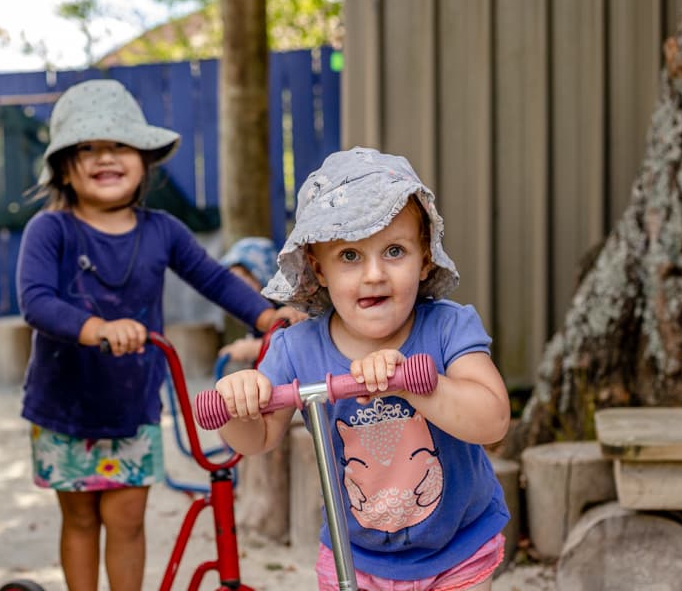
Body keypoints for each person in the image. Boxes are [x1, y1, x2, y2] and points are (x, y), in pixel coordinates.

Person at [16, 78, 301, 591]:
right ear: (64, 167)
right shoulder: (51, 230)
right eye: (87, 148)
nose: (106, 157)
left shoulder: (162, 231)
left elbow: (213, 278)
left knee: (126, 521)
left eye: (120, 145)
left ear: (143, 159)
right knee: (81, 520)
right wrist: (96, 327)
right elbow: (35, 302)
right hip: (64, 409)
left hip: (134, 407)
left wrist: (266, 318)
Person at [214, 147, 512, 591]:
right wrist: (238, 406)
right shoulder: (296, 347)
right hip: (353, 556)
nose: (374, 274)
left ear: (424, 257)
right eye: (350, 256)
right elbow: (257, 440)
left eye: (394, 251)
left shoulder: (449, 326)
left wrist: (414, 382)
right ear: (319, 268)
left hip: (458, 549)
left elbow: (493, 421)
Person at [217, 236, 281, 364]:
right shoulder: (255, 324)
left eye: (241, 284)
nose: (235, 295)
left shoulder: (286, 314)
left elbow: (296, 346)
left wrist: (254, 348)